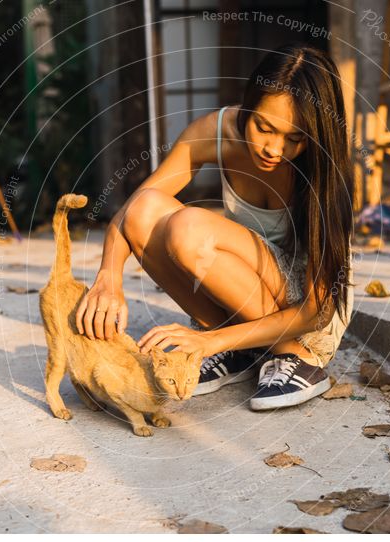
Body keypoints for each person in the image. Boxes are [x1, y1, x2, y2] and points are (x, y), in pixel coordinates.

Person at [75, 42, 354, 411]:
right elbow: (133, 212)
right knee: (146, 209)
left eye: (295, 138)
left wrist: (212, 343)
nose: (274, 148)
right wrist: (109, 276)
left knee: (189, 228)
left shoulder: (325, 168)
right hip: (241, 299)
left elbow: (317, 310)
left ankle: (296, 360)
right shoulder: (216, 131)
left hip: (308, 323)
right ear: (248, 105)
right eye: (264, 127)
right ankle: (243, 353)